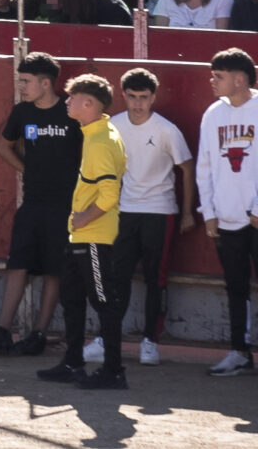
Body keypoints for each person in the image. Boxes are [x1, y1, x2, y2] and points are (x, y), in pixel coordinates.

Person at [0, 53, 78, 358]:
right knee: (18, 264)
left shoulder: (71, 111)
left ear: (46, 83)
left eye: (27, 81)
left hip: (65, 206)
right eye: (21, 80)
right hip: (32, 202)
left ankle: (38, 334)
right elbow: (4, 146)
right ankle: (2, 331)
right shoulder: (22, 112)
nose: (21, 86)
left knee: (55, 270)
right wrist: (26, 169)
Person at [38, 73, 129, 389]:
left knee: (103, 302)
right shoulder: (98, 133)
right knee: (73, 299)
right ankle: (74, 362)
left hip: (94, 235)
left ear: (88, 103)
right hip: (85, 235)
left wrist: (83, 219)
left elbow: (109, 195)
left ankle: (114, 371)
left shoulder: (101, 140)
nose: (67, 102)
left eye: (72, 97)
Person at [106, 67, 193, 369]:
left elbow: (187, 167)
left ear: (153, 97)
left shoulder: (166, 130)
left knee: (156, 279)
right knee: (118, 277)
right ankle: (107, 339)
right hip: (125, 212)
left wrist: (186, 213)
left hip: (159, 212)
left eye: (144, 97)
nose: (138, 103)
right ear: (124, 95)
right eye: (132, 97)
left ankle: (150, 342)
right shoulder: (113, 126)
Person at [199, 48, 258, 374]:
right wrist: (208, 210)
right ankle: (239, 351)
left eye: (218, 76)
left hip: (256, 216)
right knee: (235, 287)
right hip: (227, 217)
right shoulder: (213, 114)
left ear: (240, 78)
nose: (212, 81)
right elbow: (205, 164)